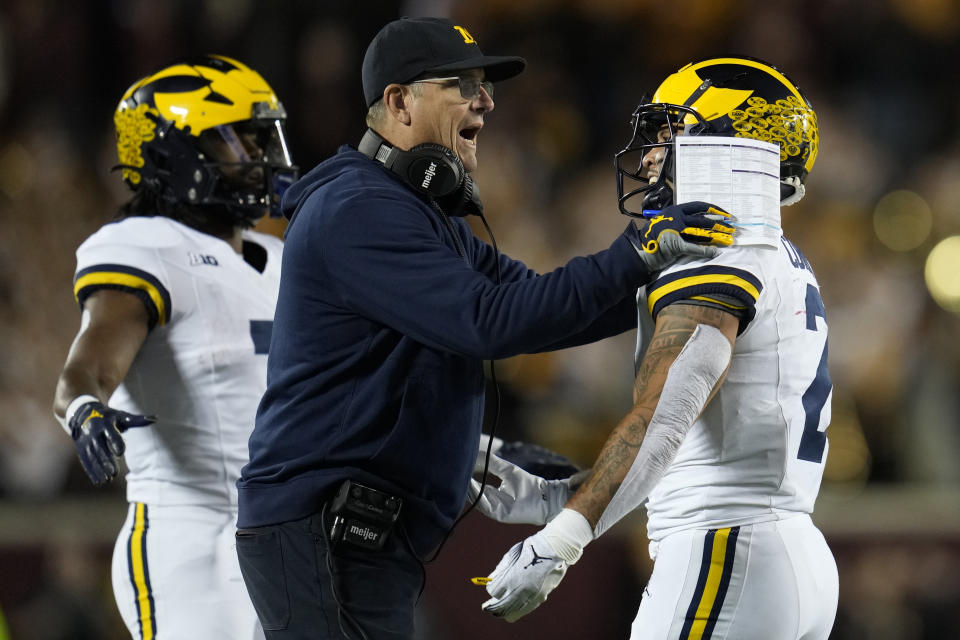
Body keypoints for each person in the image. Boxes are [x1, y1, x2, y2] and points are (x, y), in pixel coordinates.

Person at [234, 16, 734, 640]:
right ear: (398, 101)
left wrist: (665, 278)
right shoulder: (356, 209)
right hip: (323, 534)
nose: (487, 100)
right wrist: (638, 253)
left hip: (354, 537)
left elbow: (531, 303)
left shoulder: (413, 212)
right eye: (462, 84)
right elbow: (489, 323)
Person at [480, 57, 840, 640]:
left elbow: (664, 420)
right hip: (780, 552)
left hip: (727, 549)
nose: (649, 156)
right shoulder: (773, 252)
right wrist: (556, 497)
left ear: (729, 143)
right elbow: (695, 448)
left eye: (670, 135)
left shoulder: (719, 253)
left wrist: (560, 542)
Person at [52, 54, 297, 640]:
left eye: (262, 137)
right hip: (194, 537)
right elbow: (85, 368)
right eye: (237, 139)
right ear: (176, 152)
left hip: (290, 537)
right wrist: (85, 409)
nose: (259, 156)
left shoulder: (282, 258)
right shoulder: (146, 246)